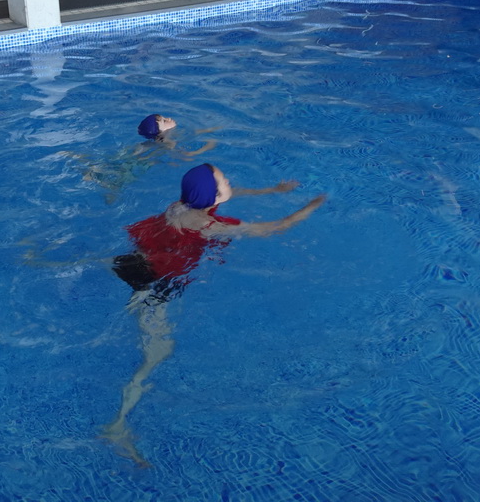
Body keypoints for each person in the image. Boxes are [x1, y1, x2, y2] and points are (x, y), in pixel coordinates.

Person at [100, 163, 325, 464]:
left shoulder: (178, 206)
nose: (231, 181)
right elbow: (274, 228)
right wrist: (310, 207)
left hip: (132, 262)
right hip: (157, 286)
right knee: (156, 354)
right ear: (214, 196)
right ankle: (117, 425)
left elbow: (228, 194)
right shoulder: (211, 226)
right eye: (225, 180)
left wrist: (270, 190)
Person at [69, 113, 219, 203]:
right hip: (139, 163)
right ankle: (104, 182)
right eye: (163, 121)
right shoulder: (168, 143)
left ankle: (92, 167)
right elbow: (186, 158)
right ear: (160, 133)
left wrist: (209, 129)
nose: (168, 118)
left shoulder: (159, 140)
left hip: (134, 154)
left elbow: (191, 133)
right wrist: (208, 146)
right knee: (120, 178)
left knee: (115, 163)